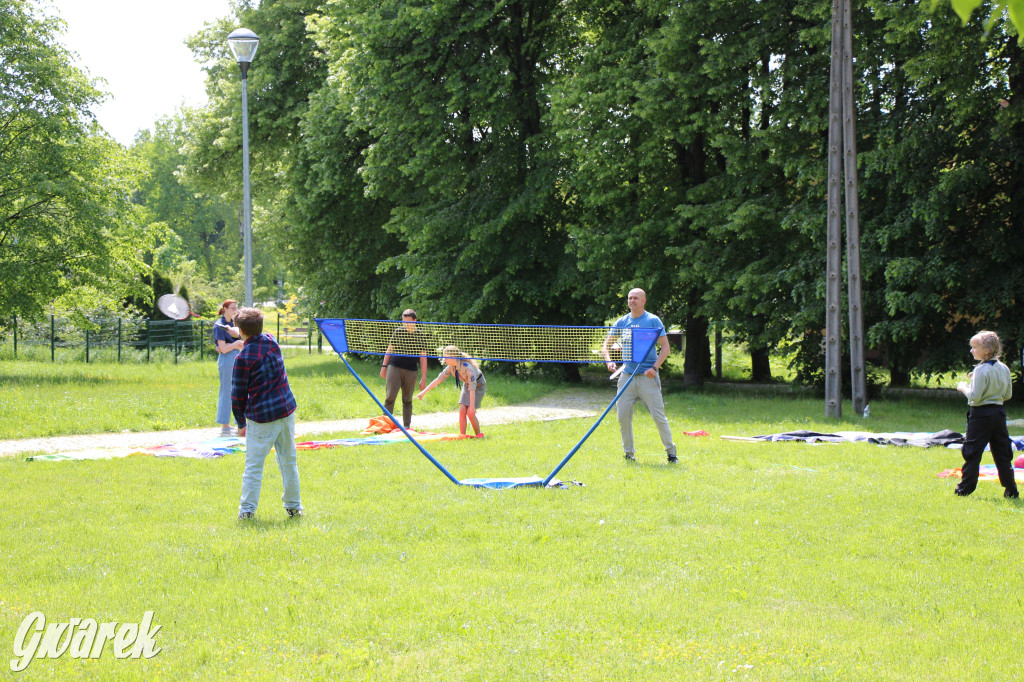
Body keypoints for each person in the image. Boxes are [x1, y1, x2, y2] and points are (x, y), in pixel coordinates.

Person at [231, 307, 302, 520]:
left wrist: (240, 423)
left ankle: (247, 511)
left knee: (253, 466)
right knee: (288, 462)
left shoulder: (243, 358)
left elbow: (238, 395)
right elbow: (255, 335)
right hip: (286, 411)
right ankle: (294, 507)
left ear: (241, 331)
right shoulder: (272, 342)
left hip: (262, 419)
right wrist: (241, 331)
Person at [602, 288, 677, 463]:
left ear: (644, 301)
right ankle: (629, 454)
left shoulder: (652, 320)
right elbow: (607, 346)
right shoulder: (622, 322)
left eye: (636, 298)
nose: (632, 301)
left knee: (658, 417)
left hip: (647, 377)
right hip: (627, 376)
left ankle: (671, 453)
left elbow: (665, 348)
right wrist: (609, 361)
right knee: (623, 416)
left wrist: (655, 368)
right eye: (630, 298)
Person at [953, 330, 1018, 498]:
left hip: (981, 415)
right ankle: (1011, 489)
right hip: (999, 413)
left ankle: (964, 489)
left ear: (987, 351)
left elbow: (974, 398)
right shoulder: (1003, 368)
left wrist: (963, 387)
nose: (971, 350)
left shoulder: (981, 369)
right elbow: (1007, 395)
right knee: (1002, 452)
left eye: (975, 347)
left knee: (972, 451)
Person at [416, 345, 485, 437]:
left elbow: (473, 386)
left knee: (470, 413)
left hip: (478, 386)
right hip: (467, 385)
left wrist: (472, 406)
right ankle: (462, 436)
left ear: (453, 357)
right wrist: (423, 392)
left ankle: (479, 435)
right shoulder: (450, 367)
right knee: (462, 410)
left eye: (446, 357)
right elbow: (438, 379)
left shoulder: (467, 367)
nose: (444, 360)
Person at [379, 309, 431, 429]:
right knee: (389, 398)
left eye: (408, 322)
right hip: (394, 367)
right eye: (404, 321)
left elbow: (423, 358)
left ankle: (407, 427)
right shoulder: (398, 331)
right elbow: (389, 350)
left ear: (414, 321)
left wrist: (423, 378)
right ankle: (385, 426)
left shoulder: (420, 335)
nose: (406, 324)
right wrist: (383, 367)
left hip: (411, 370)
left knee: (407, 400)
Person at [213, 300, 244, 437]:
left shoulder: (235, 325)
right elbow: (224, 349)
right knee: (226, 392)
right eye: (232, 308)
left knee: (240, 392)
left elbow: (244, 342)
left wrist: (237, 344)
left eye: (236, 308)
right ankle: (225, 427)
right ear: (224, 309)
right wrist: (236, 343)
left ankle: (239, 424)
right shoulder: (219, 325)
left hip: (239, 358)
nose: (234, 310)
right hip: (227, 361)